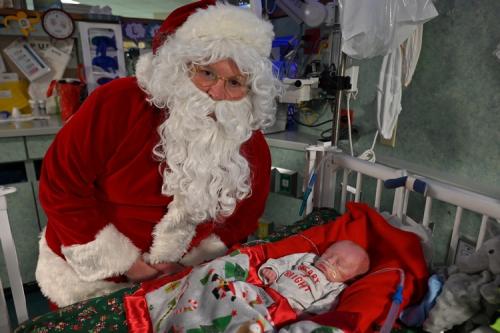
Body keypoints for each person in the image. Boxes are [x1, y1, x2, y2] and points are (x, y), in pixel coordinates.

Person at [35, 0, 281, 308]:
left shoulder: (250, 142)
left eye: (234, 83)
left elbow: (242, 220)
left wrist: (191, 264)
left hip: (179, 280)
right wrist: (126, 264)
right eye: (206, 73)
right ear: (179, 67)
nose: (216, 94)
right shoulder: (118, 102)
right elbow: (62, 187)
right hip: (88, 278)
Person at [258, 240, 370, 314]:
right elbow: (286, 262)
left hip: (289, 309)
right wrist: (273, 270)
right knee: (241, 288)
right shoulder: (310, 258)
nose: (328, 261)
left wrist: (307, 315)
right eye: (327, 254)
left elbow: (325, 305)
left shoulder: (336, 287)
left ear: (351, 278)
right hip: (267, 292)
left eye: (339, 264)